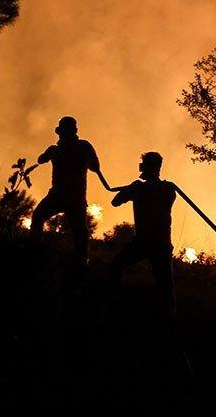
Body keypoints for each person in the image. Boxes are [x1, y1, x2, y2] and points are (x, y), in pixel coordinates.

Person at [108, 151, 184, 316]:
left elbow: (115, 202)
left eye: (142, 164)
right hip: (162, 243)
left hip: (143, 242)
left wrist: (132, 187)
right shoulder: (168, 189)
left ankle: (111, 304)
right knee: (165, 286)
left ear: (145, 167)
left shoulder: (139, 188)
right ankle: (168, 319)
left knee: (116, 265)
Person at [29, 115, 113, 264]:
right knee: (79, 231)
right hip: (73, 197)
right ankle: (81, 260)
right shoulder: (82, 146)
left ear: (60, 132)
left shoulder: (60, 149)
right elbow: (95, 167)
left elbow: (40, 160)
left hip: (62, 196)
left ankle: (34, 252)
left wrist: (51, 153)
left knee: (39, 218)